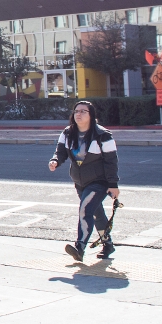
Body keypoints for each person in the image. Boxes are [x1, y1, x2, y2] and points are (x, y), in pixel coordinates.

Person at [49, 100, 120, 261]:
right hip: (80, 182)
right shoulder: (68, 133)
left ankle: (79, 247)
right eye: (76, 111)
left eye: (83, 111)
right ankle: (108, 244)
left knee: (85, 210)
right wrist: (55, 161)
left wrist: (113, 184)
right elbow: (60, 152)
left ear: (91, 115)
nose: (78, 114)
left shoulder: (103, 135)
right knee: (96, 214)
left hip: (98, 182)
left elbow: (111, 161)